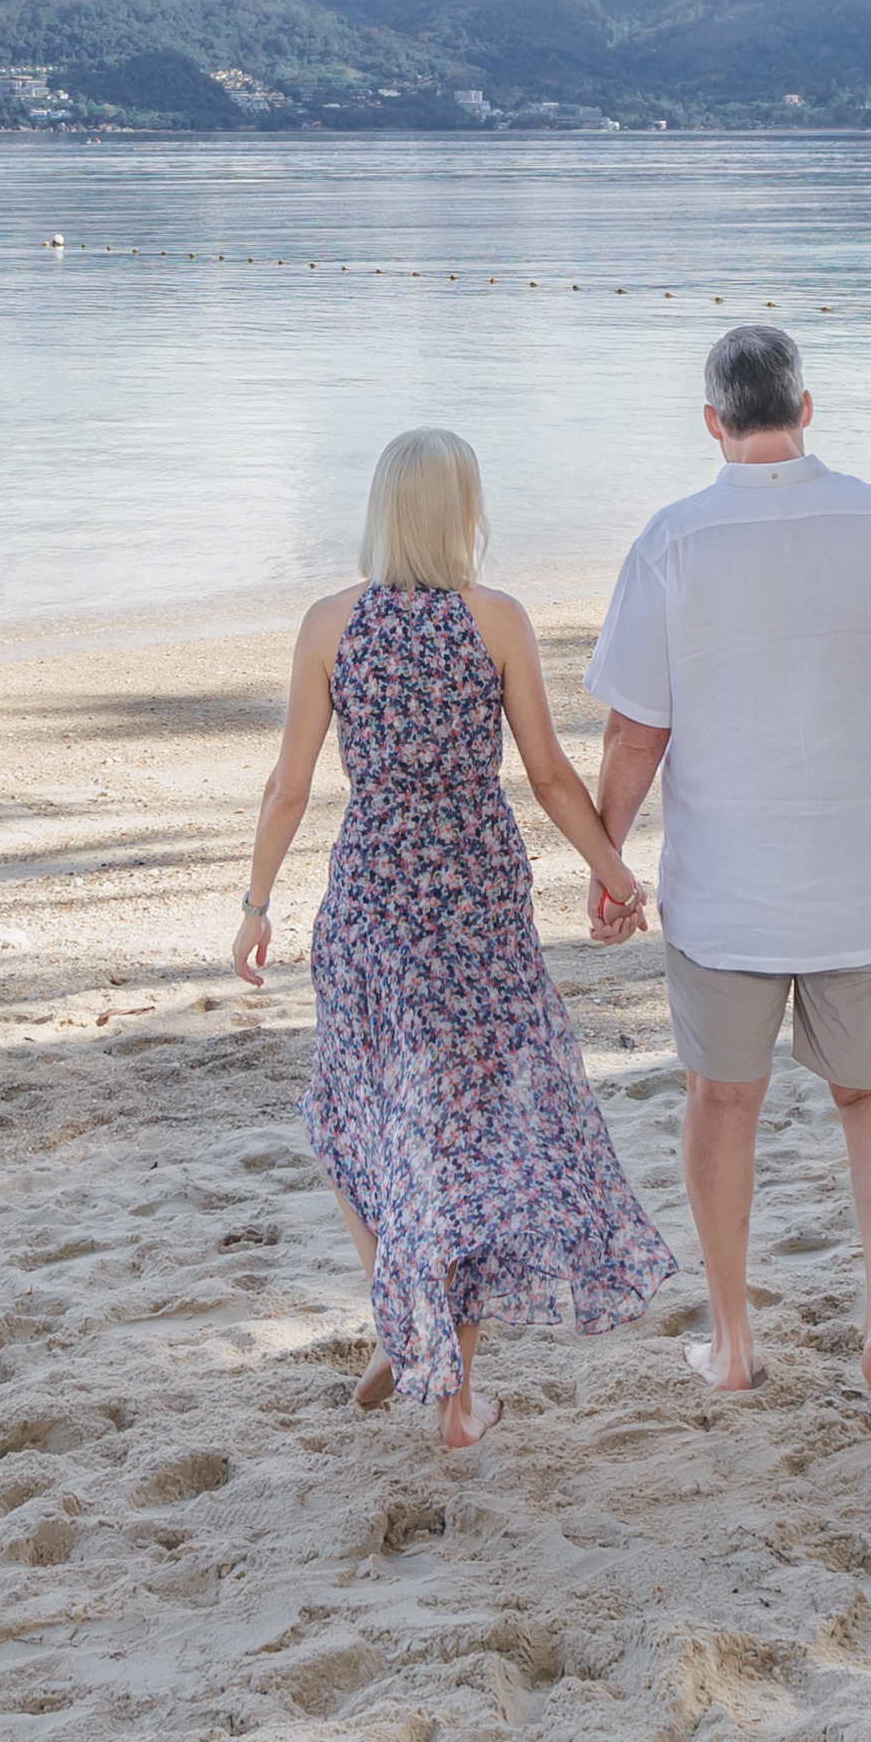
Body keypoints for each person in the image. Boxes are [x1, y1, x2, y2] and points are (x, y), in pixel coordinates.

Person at [577, 323, 871, 1442]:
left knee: (723, 1099)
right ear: (809, 408)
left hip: (729, 892)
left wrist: (610, 865)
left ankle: (733, 1341)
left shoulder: (673, 540)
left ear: (714, 422)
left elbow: (631, 736)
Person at [230, 427, 674, 1451]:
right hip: (475, 912)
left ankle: (404, 1305)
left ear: (383, 510)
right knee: (461, 1142)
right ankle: (455, 1388)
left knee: (354, 1116)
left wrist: (255, 902)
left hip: (372, 907)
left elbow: (289, 785)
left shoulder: (329, 625)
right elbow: (553, 777)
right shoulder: (497, 621)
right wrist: (614, 873)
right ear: (462, 511)